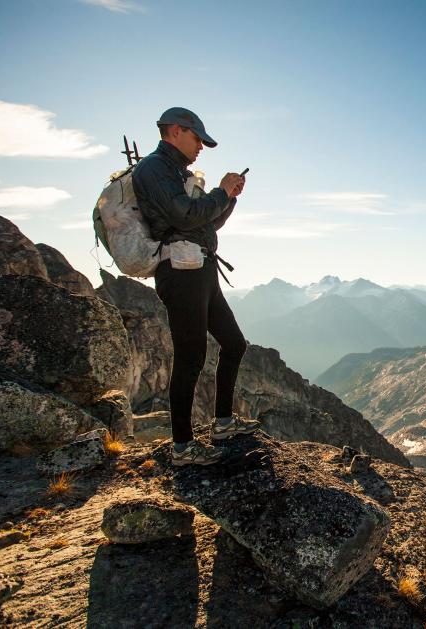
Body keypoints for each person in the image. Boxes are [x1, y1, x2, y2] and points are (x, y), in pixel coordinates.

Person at [132, 106, 260, 466]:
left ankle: (222, 424)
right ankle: (183, 447)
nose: (201, 146)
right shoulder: (154, 169)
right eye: (197, 138)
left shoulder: (176, 172)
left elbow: (205, 225)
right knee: (191, 356)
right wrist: (220, 191)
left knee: (234, 343)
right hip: (180, 270)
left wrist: (229, 196)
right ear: (175, 131)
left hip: (200, 267)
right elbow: (186, 215)